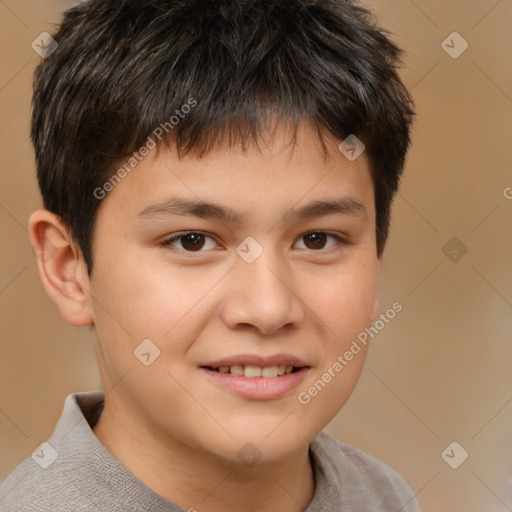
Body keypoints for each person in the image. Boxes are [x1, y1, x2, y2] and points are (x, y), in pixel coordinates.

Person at [0, 0, 418, 510]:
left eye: (317, 239)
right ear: (71, 271)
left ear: (375, 264)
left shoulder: (382, 496)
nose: (268, 308)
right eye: (192, 241)